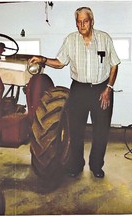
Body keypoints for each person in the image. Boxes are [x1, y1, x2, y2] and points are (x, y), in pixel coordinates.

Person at [29, 6, 121, 178]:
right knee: (76, 131)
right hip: (79, 90)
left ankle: (96, 166)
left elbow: (114, 64)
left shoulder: (104, 39)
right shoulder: (71, 40)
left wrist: (108, 88)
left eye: (85, 21)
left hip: (102, 90)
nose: (81, 25)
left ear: (91, 21)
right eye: (78, 22)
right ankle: (76, 165)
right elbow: (60, 62)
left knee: (101, 131)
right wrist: (43, 60)